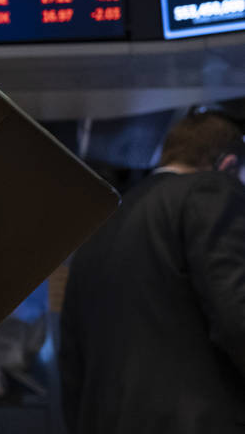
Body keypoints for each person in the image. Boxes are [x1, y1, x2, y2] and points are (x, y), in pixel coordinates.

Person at [60, 110, 245, 433]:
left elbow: (71, 360)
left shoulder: (101, 225)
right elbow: (237, 316)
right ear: (229, 164)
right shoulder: (210, 190)